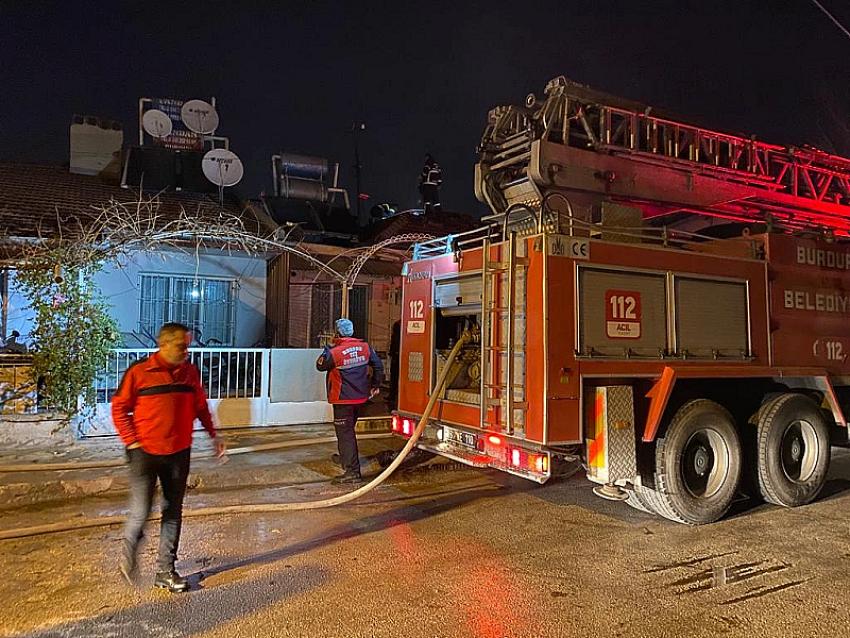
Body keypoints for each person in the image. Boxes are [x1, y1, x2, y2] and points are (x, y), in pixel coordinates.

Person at [112, 322, 226, 593]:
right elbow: (119, 409)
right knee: (141, 510)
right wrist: (132, 441)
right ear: (163, 344)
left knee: (172, 512)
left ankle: (165, 571)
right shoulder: (140, 373)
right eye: (181, 346)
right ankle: (129, 551)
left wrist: (214, 436)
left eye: (187, 346)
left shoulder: (189, 374)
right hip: (144, 455)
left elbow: (200, 407)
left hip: (178, 453)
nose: (186, 351)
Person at [316, 318, 384, 484]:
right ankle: (346, 458)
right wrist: (375, 385)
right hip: (361, 399)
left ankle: (352, 471)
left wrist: (327, 349)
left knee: (345, 434)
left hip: (343, 400)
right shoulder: (365, 347)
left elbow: (320, 366)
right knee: (348, 431)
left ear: (337, 333)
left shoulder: (335, 352)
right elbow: (378, 366)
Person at [387, 319, 401, 410]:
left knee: (394, 376)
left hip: (396, 355)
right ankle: (394, 396)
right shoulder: (400, 324)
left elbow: (395, 341)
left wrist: (393, 352)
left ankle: (392, 396)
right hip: (398, 354)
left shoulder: (398, 325)